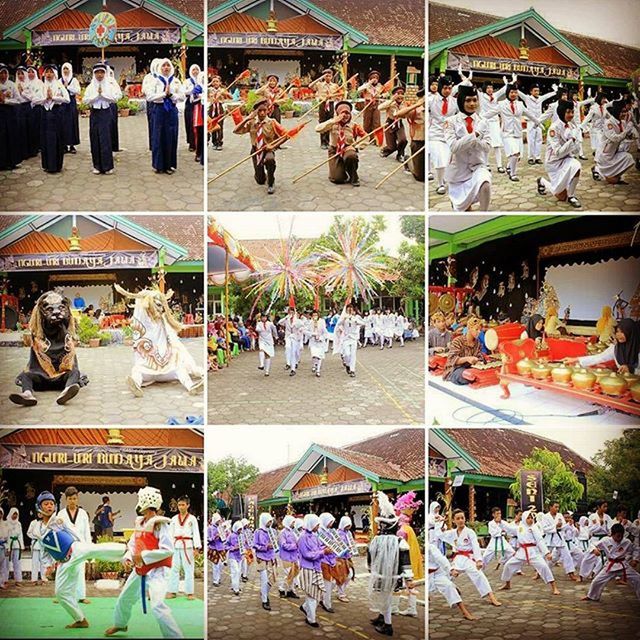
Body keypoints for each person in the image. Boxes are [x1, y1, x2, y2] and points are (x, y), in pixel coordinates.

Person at [38, 491, 126, 630]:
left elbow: (72, 532)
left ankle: (126, 552)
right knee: (60, 594)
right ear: (39, 508)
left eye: (51, 504)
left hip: (74, 549)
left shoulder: (58, 520)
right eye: (46, 504)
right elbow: (44, 549)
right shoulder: (38, 530)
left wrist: (83, 544)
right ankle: (80, 619)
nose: (49, 506)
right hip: (63, 562)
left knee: (96, 550)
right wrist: (48, 566)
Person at [105, 487, 182, 638]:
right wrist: (129, 557)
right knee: (124, 598)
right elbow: (134, 543)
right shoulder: (140, 522)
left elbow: (168, 550)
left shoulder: (161, 524)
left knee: (158, 606)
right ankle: (121, 624)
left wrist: (144, 556)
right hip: (140, 569)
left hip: (157, 571)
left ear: (145, 501)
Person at [368, 491, 415, 637]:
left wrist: (372, 571)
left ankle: (388, 626)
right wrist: (409, 578)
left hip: (382, 575)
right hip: (392, 576)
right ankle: (382, 618)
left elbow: (369, 560)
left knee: (386, 598)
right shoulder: (400, 542)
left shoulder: (376, 540)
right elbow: (406, 563)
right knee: (386, 597)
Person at [436, 508, 502, 606]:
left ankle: (491, 597)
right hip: (458, 558)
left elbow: (476, 546)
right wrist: (439, 524)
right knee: (447, 574)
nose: (460, 520)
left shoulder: (470, 532)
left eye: (462, 518)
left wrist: (479, 560)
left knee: (479, 575)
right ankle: (453, 592)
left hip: (468, 558)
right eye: (458, 518)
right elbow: (439, 535)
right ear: (454, 520)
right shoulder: (452, 533)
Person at [444, 84, 493, 211]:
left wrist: (475, 141)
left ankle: (483, 217)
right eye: (468, 100)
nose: (472, 104)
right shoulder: (451, 122)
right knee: (464, 210)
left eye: (475, 100)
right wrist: (475, 135)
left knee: (485, 184)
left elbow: (487, 147)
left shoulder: (483, 121)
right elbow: (454, 147)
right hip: (458, 173)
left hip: (477, 166)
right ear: (461, 101)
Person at [500, 509, 561, 595]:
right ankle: (507, 584)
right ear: (524, 518)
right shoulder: (520, 528)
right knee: (508, 565)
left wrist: (546, 553)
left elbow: (540, 540)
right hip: (521, 552)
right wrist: (501, 522)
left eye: (531, 517)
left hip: (533, 552)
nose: (530, 519)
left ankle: (554, 587)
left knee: (544, 566)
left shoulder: (534, 528)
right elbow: (509, 529)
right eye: (528, 518)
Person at [234, 96, 287, 194]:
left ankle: (271, 181)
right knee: (260, 181)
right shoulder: (252, 122)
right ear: (255, 112)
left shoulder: (272, 122)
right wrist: (247, 119)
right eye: (259, 111)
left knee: (270, 160)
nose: (262, 113)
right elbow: (236, 131)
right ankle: (260, 175)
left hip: (267, 149)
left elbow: (286, 135)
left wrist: (273, 146)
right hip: (255, 150)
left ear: (268, 111)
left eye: (264, 110)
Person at [537, 100, 583, 208]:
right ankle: (542, 181)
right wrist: (571, 140)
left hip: (566, 159)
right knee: (560, 196)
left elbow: (575, 151)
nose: (571, 115)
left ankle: (571, 196)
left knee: (576, 165)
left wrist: (577, 141)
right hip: (553, 163)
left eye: (572, 112)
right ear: (562, 112)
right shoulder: (554, 128)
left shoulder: (571, 127)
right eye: (568, 112)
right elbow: (558, 153)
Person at [491, 82, 541, 182]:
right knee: (514, 153)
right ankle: (513, 174)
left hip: (518, 133)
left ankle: (509, 167)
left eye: (515, 92)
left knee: (518, 156)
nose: (513, 94)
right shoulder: (501, 104)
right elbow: (489, 113)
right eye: (511, 92)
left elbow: (530, 114)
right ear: (507, 93)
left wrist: (538, 122)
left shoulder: (520, 104)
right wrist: (477, 119)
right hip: (507, 133)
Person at [581, 522, 640, 602]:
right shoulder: (606, 540)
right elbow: (593, 544)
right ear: (612, 534)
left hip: (623, 565)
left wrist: (635, 559)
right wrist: (595, 550)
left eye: (621, 536)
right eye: (617, 536)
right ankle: (592, 596)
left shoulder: (627, 542)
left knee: (637, 579)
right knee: (597, 581)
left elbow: (636, 549)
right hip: (610, 566)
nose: (619, 538)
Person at [315, 100, 367, 186]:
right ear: (338, 114)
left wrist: (357, 147)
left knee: (351, 156)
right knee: (337, 179)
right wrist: (333, 121)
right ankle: (341, 169)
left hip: (347, 149)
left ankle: (353, 175)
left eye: (348, 113)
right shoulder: (333, 124)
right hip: (335, 150)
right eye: (342, 113)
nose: (345, 116)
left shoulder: (353, 125)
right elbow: (318, 129)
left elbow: (366, 136)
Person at [147, 58, 184, 175]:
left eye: (168, 65)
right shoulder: (155, 81)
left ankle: (169, 164)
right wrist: (164, 94)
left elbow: (182, 97)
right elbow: (149, 97)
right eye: (164, 66)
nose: (166, 68)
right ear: (160, 68)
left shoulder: (176, 81)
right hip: (159, 110)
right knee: (158, 136)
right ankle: (158, 165)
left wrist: (171, 95)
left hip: (172, 111)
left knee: (171, 136)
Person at [565, 318, 639, 374]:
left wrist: (632, 370)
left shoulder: (638, 351)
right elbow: (600, 357)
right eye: (617, 331)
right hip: (621, 384)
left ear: (631, 333)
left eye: (622, 332)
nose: (618, 335)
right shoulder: (616, 348)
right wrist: (575, 359)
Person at [32, 64, 69, 173]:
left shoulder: (59, 85)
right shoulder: (41, 86)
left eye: (51, 72)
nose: (48, 74)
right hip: (44, 114)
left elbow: (67, 99)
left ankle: (56, 165)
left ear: (55, 73)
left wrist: (53, 98)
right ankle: (47, 165)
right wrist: (45, 99)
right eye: (47, 72)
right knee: (45, 139)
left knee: (56, 139)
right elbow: (34, 100)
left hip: (56, 113)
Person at [58, 487, 92, 603]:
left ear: (77, 499)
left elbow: (87, 531)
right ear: (66, 499)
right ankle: (62, 595)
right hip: (67, 546)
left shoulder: (83, 513)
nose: (72, 501)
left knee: (80, 570)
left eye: (74, 498)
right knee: (64, 570)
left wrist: (89, 547)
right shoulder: (61, 514)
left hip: (80, 545)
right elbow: (58, 532)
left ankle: (81, 596)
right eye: (70, 499)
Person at [83, 63, 117, 175]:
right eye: (97, 72)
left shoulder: (109, 85)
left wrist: (103, 96)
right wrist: (96, 96)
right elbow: (85, 100)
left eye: (102, 72)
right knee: (95, 138)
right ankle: (97, 165)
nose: (100, 75)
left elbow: (115, 98)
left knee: (106, 139)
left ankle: (107, 166)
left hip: (106, 112)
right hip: (95, 113)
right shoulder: (90, 86)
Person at [428, 543, 476, 620]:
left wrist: (451, 570)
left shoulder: (431, 547)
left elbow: (440, 558)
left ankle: (464, 612)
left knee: (449, 586)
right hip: (425, 575)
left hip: (437, 573)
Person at [167, 495, 201, 601]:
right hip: (176, 544)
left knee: (189, 569)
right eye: (179, 505)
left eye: (183, 505)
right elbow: (170, 534)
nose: (181, 507)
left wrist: (197, 548)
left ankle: (189, 592)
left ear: (188, 505)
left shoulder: (192, 519)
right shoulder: (173, 519)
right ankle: (173, 591)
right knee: (174, 569)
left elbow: (196, 533)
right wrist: (168, 547)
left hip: (188, 545)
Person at [595, 98, 636, 184]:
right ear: (616, 111)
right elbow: (615, 138)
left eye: (625, 111)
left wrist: (630, 136)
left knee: (629, 158)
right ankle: (597, 170)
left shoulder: (622, 123)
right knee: (611, 178)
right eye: (622, 112)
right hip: (605, 155)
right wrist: (626, 131)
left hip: (614, 152)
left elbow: (625, 136)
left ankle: (614, 176)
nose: (624, 114)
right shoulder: (609, 123)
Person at [298, 513, 328, 627]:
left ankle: (305, 608)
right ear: (311, 524)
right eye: (317, 524)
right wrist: (323, 552)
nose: (318, 527)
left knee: (316, 594)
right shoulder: (302, 537)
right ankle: (311, 619)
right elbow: (307, 555)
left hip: (316, 567)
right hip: (307, 569)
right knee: (311, 596)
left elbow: (317, 549)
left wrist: (324, 548)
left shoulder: (315, 536)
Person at [429, 75, 457, 194]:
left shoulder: (455, 102)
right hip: (435, 134)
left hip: (449, 136)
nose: (447, 91)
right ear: (440, 87)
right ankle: (440, 184)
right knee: (440, 159)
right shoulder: (431, 100)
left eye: (449, 88)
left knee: (447, 160)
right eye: (445, 88)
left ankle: (446, 179)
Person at [517, 81, 556, 164]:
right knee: (531, 140)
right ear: (531, 91)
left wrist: (555, 91)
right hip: (531, 121)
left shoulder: (541, 98)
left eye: (538, 91)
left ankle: (537, 157)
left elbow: (548, 95)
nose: (537, 92)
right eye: (535, 91)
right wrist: (512, 84)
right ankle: (530, 157)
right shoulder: (527, 98)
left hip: (538, 121)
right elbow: (518, 93)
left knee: (539, 140)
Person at [541, 502, 577, 581]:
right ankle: (539, 572)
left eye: (558, 507)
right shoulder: (545, 517)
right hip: (549, 538)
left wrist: (568, 524)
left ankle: (571, 573)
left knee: (567, 555)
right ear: (550, 507)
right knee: (545, 556)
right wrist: (555, 526)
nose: (557, 509)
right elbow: (545, 529)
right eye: (555, 507)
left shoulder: (560, 515)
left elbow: (563, 527)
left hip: (559, 538)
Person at [442, 316, 482, 385]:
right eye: (476, 329)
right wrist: (467, 359)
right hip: (454, 370)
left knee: (478, 375)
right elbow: (452, 359)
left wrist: (479, 361)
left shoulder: (477, 343)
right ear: (469, 328)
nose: (479, 332)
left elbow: (479, 357)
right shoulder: (458, 341)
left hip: (469, 368)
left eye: (480, 330)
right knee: (466, 376)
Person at [579, 500, 614, 580]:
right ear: (598, 507)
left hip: (605, 539)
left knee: (608, 557)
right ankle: (582, 575)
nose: (606, 508)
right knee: (588, 557)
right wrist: (599, 525)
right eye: (604, 506)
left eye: (606, 506)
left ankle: (594, 573)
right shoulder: (592, 517)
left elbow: (610, 529)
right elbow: (590, 529)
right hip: (595, 539)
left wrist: (609, 532)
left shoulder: (607, 517)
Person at [396, 89, 425, 181]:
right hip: (418, 142)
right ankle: (408, 160)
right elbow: (398, 114)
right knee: (420, 177)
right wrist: (417, 105)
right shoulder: (416, 110)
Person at [310, 68, 343, 148]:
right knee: (322, 122)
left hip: (331, 104)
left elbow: (341, 93)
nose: (328, 77)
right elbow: (310, 86)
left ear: (332, 76)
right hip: (323, 104)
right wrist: (319, 78)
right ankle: (323, 142)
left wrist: (332, 96)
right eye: (326, 76)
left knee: (330, 122)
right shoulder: (319, 84)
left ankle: (328, 142)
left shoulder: (334, 86)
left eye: (329, 76)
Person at [0, 63, 22, 172]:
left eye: (5, 73)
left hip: (10, 113)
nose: (3, 75)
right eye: (1, 73)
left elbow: (18, 100)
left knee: (11, 137)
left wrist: (6, 101)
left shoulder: (11, 85)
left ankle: (12, 161)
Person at [253, 512, 277, 611]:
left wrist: (274, 546)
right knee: (264, 580)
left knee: (273, 578)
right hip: (261, 558)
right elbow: (254, 545)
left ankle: (264, 592)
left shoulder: (273, 531)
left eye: (271, 521)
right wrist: (265, 547)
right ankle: (264, 600)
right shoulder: (258, 532)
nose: (270, 522)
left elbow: (276, 543)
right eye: (268, 521)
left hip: (271, 557)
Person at [334, 304, 365, 377]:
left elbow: (363, 323)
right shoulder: (344, 318)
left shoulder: (355, 318)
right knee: (347, 354)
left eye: (351, 309)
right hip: (346, 338)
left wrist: (357, 322)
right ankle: (347, 365)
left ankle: (352, 370)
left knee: (353, 354)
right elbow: (338, 324)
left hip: (353, 338)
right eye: (348, 309)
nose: (350, 310)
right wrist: (344, 319)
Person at [378, 87, 408, 161]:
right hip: (389, 123)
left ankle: (400, 154)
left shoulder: (404, 104)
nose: (400, 96)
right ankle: (386, 150)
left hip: (399, 123)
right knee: (392, 146)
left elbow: (405, 116)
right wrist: (391, 100)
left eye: (402, 94)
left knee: (403, 140)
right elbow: (380, 108)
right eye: (398, 94)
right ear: (394, 95)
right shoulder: (390, 102)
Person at [357, 70, 386, 138]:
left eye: (376, 78)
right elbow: (359, 90)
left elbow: (387, 93)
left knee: (376, 122)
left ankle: (376, 138)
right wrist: (369, 83)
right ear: (370, 78)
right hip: (368, 104)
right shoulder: (366, 85)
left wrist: (381, 96)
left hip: (376, 104)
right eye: (373, 77)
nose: (375, 79)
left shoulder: (380, 86)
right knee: (367, 121)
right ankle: (366, 137)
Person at [60, 62, 80, 154]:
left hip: (71, 103)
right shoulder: (59, 80)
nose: (65, 71)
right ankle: (64, 145)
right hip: (62, 103)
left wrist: (67, 87)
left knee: (72, 123)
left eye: (67, 69)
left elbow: (78, 91)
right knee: (63, 123)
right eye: (64, 69)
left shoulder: (74, 80)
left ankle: (72, 145)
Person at [278, 514, 300, 599]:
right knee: (288, 574)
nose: (293, 524)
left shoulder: (292, 532)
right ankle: (282, 588)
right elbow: (283, 545)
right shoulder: (282, 533)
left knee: (293, 574)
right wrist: (295, 545)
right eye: (292, 522)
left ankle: (291, 591)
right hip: (286, 557)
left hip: (294, 557)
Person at [278, 308, 305, 376]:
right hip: (288, 336)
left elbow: (302, 326)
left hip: (295, 337)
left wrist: (298, 327)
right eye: (290, 312)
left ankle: (293, 369)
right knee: (287, 347)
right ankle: (288, 363)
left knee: (293, 352)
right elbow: (279, 322)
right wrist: (286, 317)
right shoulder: (286, 320)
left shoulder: (297, 320)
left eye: (292, 312)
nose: (291, 314)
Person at [184, 64, 201, 152]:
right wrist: (192, 91)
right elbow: (183, 92)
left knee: (198, 124)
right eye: (193, 70)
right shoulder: (187, 81)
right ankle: (191, 143)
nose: (195, 72)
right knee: (190, 123)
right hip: (190, 104)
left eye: (197, 70)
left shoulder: (201, 81)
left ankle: (198, 143)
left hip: (199, 103)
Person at [306, 310, 328, 377]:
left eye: (316, 315)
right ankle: (314, 364)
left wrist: (320, 338)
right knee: (314, 355)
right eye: (313, 315)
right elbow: (306, 331)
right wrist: (312, 334)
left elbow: (325, 333)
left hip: (320, 342)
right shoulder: (310, 323)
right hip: (313, 342)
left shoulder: (322, 322)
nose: (314, 317)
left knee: (319, 356)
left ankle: (318, 370)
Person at [27, 511, 46, 584]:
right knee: (34, 563)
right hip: (35, 544)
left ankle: (43, 579)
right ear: (37, 514)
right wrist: (35, 537)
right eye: (39, 513)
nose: (40, 515)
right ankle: (34, 579)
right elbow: (29, 532)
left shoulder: (45, 522)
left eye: (41, 513)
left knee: (43, 563)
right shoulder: (33, 522)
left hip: (43, 544)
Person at [225, 520, 243, 596]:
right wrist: (233, 548)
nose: (240, 530)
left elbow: (243, 545)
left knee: (238, 572)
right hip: (232, 556)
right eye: (239, 529)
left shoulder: (241, 536)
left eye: (241, 529)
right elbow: (225, 545)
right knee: (235, 571)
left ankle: (235, 585)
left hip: (240, 556)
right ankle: (236, 589)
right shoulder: (231, 536)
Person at [207, 513, 226, 587]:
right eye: (218, 520)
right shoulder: (210, 528)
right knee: (215, 565)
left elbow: (224, 538)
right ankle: (215, 580)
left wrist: (222, 535)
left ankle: (218, 578)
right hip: (213, 548)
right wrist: (215, 537)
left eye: (219, 520)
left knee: (221, 565)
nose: (219, 522)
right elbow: (208, 539)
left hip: (221, 547)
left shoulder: (220, 527)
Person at [6, 507, 24, 585]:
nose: (15, 516)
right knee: (6, 563)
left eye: (16, 514)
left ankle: (18, 580)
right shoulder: (6, 523)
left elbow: (20, 535)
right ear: (11, 514)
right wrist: (7, 546)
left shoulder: (18, 524)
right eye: (14, 514)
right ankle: (4, 580)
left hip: (16, 545)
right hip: (8, 544)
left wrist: (22, 546)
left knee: (17, 563)